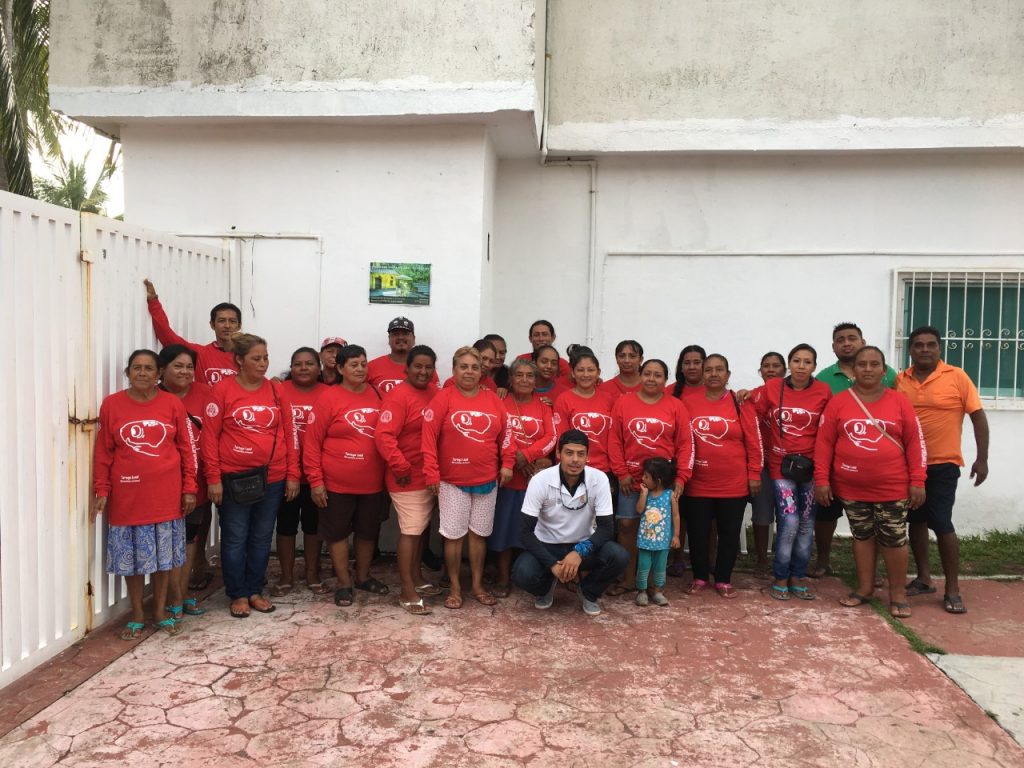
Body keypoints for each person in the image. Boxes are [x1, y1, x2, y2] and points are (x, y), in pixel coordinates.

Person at [814, 346, 927, 618]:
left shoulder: (899, 401)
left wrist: (918, 480)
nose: (867, 369)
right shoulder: (839, 402)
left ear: (884, 370)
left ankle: (897, 594)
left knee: (893, 539)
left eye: (874, 364)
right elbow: (824, 443)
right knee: (862, 535)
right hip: (851, 487)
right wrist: (821, 479)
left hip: (892, 486)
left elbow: (915, 443)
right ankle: (864, 588)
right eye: (861, 364)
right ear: (853, 370)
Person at [93, 349, 198, 639]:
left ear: (158, 374)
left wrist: (190, 487)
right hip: (128, 497)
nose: (142, 373)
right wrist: (102, 488)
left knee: (165, 559)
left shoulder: (172, 404)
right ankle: (138, 613)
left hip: (166, 496)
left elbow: (187, 450)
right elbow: (104, 451)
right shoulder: (112, 405)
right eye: (136, 368)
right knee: (133, 560)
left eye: (148, 368)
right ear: (128, 373)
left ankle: (160, 610)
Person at [202, 333, 300, 618]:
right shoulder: (222, 391)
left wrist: (293, 473)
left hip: (273, 477)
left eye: (266, 357)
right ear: (239, 360)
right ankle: (238, 593)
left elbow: (289, 433)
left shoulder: (276, 390)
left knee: (261, 537)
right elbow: (210, 437)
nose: (263, 363)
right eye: (256, 358)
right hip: (234, 479)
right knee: (235, 537)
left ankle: (255, 590)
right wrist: (213, 478)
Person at [896, 326, 989, 615]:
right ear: (910, 350)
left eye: (931, 345)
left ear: (939, 348)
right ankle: (924, 579)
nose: (925, 349)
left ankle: (952, 588)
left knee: (941, 521)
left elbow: (978, 417)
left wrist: (982, 459)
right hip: (908, 465)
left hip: (943, 464)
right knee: (916, 519)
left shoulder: (957, 377)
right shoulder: (900, 380)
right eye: (919, 345)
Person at [421, 346, 515, 609]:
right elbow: (428, 439)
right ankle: (454, 587)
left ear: (481, 371)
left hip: (487, 479)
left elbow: (507, 434)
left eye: (474, 367)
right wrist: (431, 472)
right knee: (453, 536)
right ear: (454, 370)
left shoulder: (493, 400)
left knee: (478, 535)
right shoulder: (443, 398)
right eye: (464, 367)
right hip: (452, 481)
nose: (469, 372)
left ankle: (476, 585)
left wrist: (507, 464)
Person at [304, 344, 389, 608]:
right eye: (354, 364)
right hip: (336, 484)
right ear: (340, 368)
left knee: (367, 533)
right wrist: (316, 482)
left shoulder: (376, 394)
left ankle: (363, 577)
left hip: (373, 484)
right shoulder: (329, 398)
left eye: (363, 364)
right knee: (337, 534)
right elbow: (311, 442)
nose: (360, 369)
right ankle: (344, 583)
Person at [812, 323, 898, 578]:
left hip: (876, 468)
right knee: (827, 513)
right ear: (833, 347)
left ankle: (876, 570)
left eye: (852, 338)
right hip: (837, 461)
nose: (847, 343)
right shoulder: (824, 379)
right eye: (840, 340)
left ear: (862, 341)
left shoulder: (889, 375)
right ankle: (824, 560)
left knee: (877, 521)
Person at [512, 429, 629, 616]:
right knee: (521, 573)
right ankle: (546, 586)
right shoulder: (540, 480)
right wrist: (552, 565)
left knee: (619, 556)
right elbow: (525, 531)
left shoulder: (599, 479)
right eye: (569, 453)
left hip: (584, 546)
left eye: (581, 454)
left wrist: (579, 552)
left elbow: (607, 528)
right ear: (558, 454)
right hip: (548, 545)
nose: (575, 460)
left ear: (587, 457)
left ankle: (588, 592)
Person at [751, 343, 831, 601]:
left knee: (806, 524)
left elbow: (828, 434)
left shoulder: (823, 391)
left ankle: (798, 576)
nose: (801, 366)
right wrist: (743, 394)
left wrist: (823, 473)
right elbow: (751, 411)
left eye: (807, 362)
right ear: (789, 364)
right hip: (780, 467)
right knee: (790, 522)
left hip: (810, 469)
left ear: (814, 367)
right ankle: (781, 576)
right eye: (796, 360)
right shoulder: (773, 388)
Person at [608, 359, 695, 594]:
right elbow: (614, 439)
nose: (651, 379)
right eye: (647, 373)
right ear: (640, 375)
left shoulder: (676, 406)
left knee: (657, 527)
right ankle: (628, 578)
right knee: (627, 524)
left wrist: (681, 478)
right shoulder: (624, 403)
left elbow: (686, 445)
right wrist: (621, 472)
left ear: (665, 380)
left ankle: (652, 582)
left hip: (662, 483)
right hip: (631, 479)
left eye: (658, 375)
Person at [684, 354, 763, 598]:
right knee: (697, 533)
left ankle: (723, 578)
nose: (714, 374)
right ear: (702, 374)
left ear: (728, 375)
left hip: (733, 483)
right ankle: (698, 577)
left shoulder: (741, 403)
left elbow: (754, 441)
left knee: (729, 533)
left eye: (720, 369)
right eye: (709, 370)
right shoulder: (688, 402)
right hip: (697, 483)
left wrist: (754, 474)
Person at [375, 345, 443, 615]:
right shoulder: (398, 396)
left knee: (422, 530)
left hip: (429, 475)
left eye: (429, 367)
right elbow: (384, 436)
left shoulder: (436, 394)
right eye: (418, 366)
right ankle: (406, 590)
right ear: (407, 368)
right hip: (406, 476)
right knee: (411, 530)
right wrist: (400, 466)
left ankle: (417, 578)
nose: (423, 371)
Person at [491, 359, 557, 596]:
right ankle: (502, 578)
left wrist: (527, 456)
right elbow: (496, 433)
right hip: (509, 478)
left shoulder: (544, 406)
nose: (525, 380)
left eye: (530, 376)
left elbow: (551, 437)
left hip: (535, 479)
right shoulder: (500, 402)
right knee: (504, 528)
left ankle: (529, 575)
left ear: (536, 380)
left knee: (533, 529)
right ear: (510, 378)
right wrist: (514, 459)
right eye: (519, 375)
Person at [157, 345, 211, 620]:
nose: (185, 372)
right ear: (162, 369)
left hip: (197, 484)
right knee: (166, 541)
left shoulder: (205, 394)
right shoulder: (153, 398)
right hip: (163, 485)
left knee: (189, 539)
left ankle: (180, 595)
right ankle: (168, 598)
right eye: (178, 366)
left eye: (190, 367)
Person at [272, 347, 330, 596]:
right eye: (298, 364)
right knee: (285, 527)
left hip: (318, 475)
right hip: (286, 474)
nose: (304, 368)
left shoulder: (329, 393)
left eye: (309, 364)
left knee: (313, 527)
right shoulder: (279, 391)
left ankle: (312, 573)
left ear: (319, 368)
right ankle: (286, 576)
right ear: (291, 368)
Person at [143, 278, 241, 386]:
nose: (227, 326)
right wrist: (153, 302)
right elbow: (167, 336)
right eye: (221, 321)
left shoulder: (246, 357)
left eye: (232, 321)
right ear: (212, 325)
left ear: (239, 326)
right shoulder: (200, 354)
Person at [750, 352, 786, 579]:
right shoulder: (752, 395)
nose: (771, 370)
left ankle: (783, 558)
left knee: (787, 517)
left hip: (788, 466)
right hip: (762, 464)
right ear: (760, 371)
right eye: (766, 366)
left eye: (776, 366)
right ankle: (762, 559)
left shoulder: (792, 394)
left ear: (785, 370)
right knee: (762, 515)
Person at [554, 351, 616, 481]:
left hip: (603, 468)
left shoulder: (608, 399)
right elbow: (561, 437)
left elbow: (613, 437)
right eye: (581, 370)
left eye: (591, 370)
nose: (586, 374)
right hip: (573, 468)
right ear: (573, 372)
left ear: (598, 372)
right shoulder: (563, 399)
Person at [634, 457, 680, 607]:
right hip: (645, 541)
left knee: (660, 567)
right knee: (643, 566)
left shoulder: (670, 496)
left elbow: (675, 515)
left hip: (663, 542)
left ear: (658, 480)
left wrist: (676, 535)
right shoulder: (646, 495)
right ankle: (642, 591)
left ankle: (658, 591)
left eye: (646, 477)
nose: (643, 479)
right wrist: (643, 495)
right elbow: (639, 510)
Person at [367, 316, 438, 394]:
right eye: (395, 334)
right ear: (389, 339)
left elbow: (435, 395)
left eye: (405, 334)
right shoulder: (371, 367)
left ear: (414, 339)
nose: (400, 337)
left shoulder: (425, 369)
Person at [516, 320, 572, 387]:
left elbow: (568, 390)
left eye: (545, 334)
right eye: (536, 335)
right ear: (530, 338)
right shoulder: (522, 360)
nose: (541, 339)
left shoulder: (562, 364)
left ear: (553, 337)